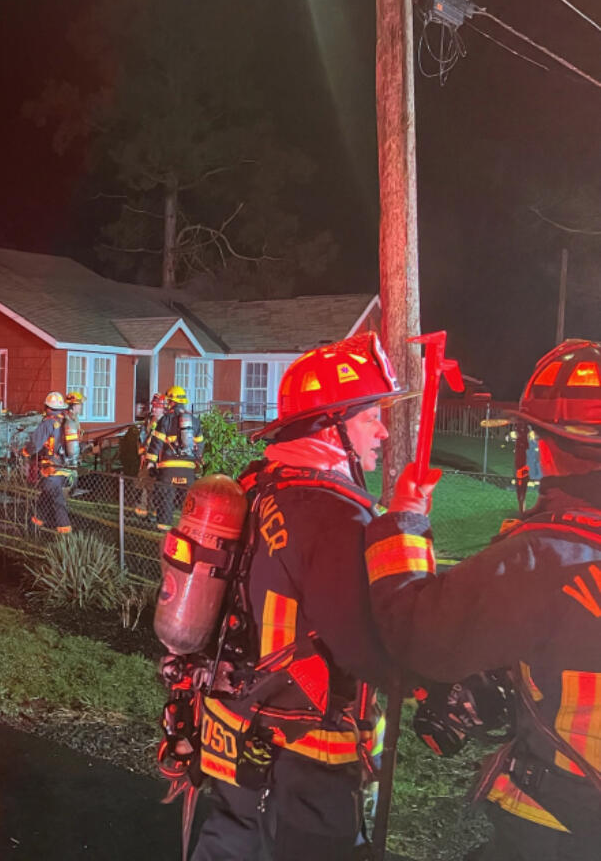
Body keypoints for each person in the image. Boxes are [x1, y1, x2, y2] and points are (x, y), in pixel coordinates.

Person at [365, 339, 601, 859]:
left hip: (562, 825)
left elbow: (418, 633)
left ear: (539, 444)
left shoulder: (541, 556)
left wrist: (403, 520)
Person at [191, 332, 412, 861]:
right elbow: (371, 649)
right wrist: (407, 533)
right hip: (308, 759)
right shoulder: (339, 516)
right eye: (369, 416)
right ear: (329, 425)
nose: (382, 430)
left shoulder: (255, 487)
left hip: (236, 735)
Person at [146, 386, 204, 530]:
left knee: (165, 498)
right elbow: (200, 445)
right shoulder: (194, 421)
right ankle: (188, 528)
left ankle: (164, 528)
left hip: (169, 469)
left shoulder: (165, 420)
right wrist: (196, 461)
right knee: (188, 501)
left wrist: (150, 463)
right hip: (188, 469)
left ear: (171, 402)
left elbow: (156, 443)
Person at [26, 391, 78, 534]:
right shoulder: (66, 421)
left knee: (57, 500)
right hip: (67, 469)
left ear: (47, 407)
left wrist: (24, 452)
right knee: (45, 496)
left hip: (52, 469)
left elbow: (35, 445)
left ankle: (65, 532)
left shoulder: (48, 424)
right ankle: (35, 525)